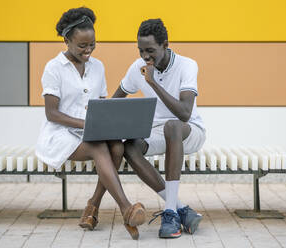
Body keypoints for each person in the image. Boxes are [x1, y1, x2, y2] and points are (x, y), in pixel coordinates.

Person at [35, 7, 145, 240]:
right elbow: (51, 113)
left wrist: (115, 123)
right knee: (98, 146)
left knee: (117, 146)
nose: (88, 51)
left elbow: (101, 105)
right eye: (82, 46)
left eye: (92, 45)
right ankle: (126, 208)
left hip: (91, 130)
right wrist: (86, 124)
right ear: (66, 40)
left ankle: (92, 206)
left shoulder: (98, 67)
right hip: (62, 132)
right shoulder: (54, 68)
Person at [114, 18, 206, 238]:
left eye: (151, 51)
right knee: (130, 147)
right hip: (156, 131)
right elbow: (115, 101)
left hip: (188, 130)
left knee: (172, 126)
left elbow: (184, 112)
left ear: (165, 44)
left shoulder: (187, 65)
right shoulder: (137, 69)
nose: (145, 57)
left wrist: (153, 83)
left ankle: (170, 212)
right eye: (140, 51)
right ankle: (180, 208)